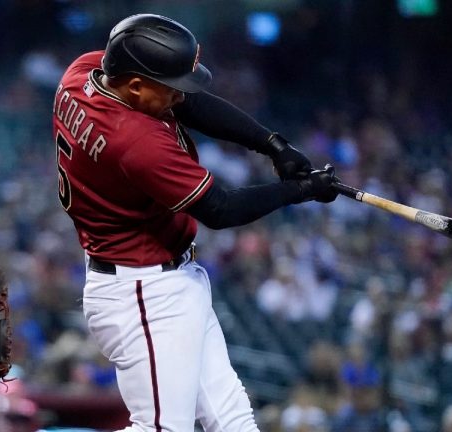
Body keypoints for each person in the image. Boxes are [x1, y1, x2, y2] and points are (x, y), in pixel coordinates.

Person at [51, 13, 339, 432]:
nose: (177, 96)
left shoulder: (84, 73)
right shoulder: (135, 141)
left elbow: (191, 103)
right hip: (143, 290)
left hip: (163, 279)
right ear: (135, 85)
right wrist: (302, 191)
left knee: (234, 422)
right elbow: (219, 209)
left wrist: (272, 144)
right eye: (169, 87)